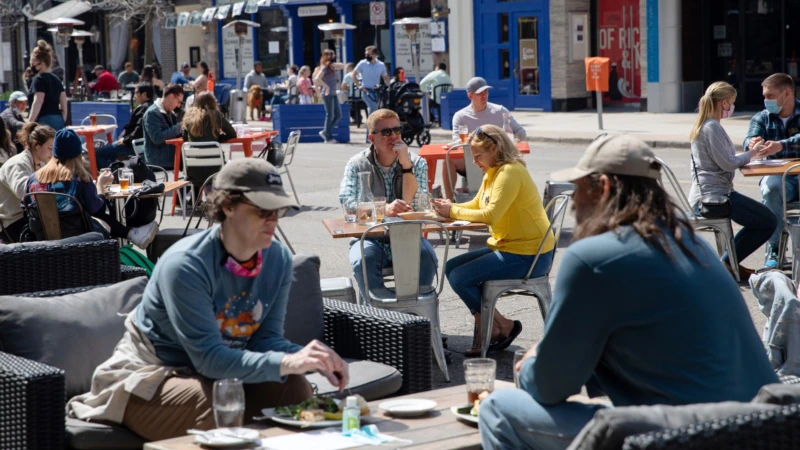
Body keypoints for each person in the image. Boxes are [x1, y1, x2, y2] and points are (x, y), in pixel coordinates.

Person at [478, 135, 780, 450]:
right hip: (761, 428)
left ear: (604, 187)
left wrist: (529, 365)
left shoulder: (593, 257)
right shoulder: (695, 246)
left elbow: (549, 386)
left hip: (684, 436)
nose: (575, 203)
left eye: (579, 189)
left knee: (497, 409)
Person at [67, 158, 349, 441]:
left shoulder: (278, 259)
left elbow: (266, 340)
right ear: (228, 206)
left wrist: (306, 359)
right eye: (263, 209)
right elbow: (210, 360)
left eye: (278, 210)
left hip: (214, 374)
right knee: (221, 401)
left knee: (294, 388)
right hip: (151, 373)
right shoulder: (186, 265)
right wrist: (288, 361)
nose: (272, 219)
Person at [433, 125, 553, 356]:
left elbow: (490, 215)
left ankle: (490, 326)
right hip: (512, 246)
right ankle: (500, 324)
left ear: (495, 148)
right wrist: (449, 208)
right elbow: (477, 205)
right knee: (451, 267)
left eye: (478, 156)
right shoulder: (493, 172)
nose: (475, 162)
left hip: (529, 254)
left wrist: (452, 212)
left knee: (460, 277)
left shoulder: (509, 172)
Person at [339, 108, 436, 299]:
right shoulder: (356, 164)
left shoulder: (417, 163)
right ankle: (378, 315)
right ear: (371, 137)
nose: (393, 136)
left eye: (397, 130)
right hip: (369, 237)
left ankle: (416, 311)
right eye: (386, 132)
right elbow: (347, 205)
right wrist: (383, 210)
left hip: (408, 235)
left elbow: (417, 206)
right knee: (364, 260)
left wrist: (406, 165)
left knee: (428, 258)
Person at [689, 81, 776, 279]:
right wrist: (752, 153)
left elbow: (723, 159)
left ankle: (731, 261)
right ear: (724, 103)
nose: (732, 107)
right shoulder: (711, 127)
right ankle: (727, 262)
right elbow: (728, 163)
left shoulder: (708, 125)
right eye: (732, 103)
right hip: (713, 198)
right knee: (768, 221)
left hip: (715, 194)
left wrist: (747, 154)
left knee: (762, 219)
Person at [24, 129, 158, 246]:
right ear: (78, 154)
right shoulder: (80, 178)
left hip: (42, 242)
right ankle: (131, 234)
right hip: (79, 242)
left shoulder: (33, 179)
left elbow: (25, 209)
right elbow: (97, 209)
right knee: (100, 220)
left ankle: (131, 233)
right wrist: (100, 185)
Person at [743, 73, 800, 268]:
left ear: (786, 93)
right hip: (779, 176)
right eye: (765, 96)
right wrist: (752, 143)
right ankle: (775, 247)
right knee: (771, 189)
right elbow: (748, 140)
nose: (766, 101)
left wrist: (781, 146)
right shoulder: (762, 118)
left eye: (770, 96)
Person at [446, 77, 526, 200]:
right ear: (470, 96)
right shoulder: (460, 116)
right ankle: (449, 201)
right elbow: (458, 141)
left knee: (517, 158)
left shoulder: (499, 111)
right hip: (470, 161)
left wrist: (515, 139)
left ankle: (518, 197)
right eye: (480, 93)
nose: (484, 96)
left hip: (496, 158)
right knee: (447, 160)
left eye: (486, 92)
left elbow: (520, 131)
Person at [0, 123, 54, 242]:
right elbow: (24, 192)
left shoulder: (41, 163)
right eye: (50, 148)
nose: (53, 153)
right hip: (14, 222)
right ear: (36, 145)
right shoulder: (18, 163)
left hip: (31, 217)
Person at [181, 91, 237, 192]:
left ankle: (193, 202)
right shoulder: (216, 115)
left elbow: (184, 139)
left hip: (193, 170)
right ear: (213, 102)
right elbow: (232, 133)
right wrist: (219, 139)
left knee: (199, 167)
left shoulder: (189, 116)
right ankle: (211, 202)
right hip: (215, 170)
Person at [94, 83, 154, 169]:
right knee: (109, 151)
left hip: (133, 146)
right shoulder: (149, 106)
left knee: (99, 153)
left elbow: (139, 129)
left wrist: (126, 140)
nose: (134, 96)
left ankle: (110, 176)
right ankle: (114, 172)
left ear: (144, 94)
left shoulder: (144, 108)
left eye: (136, 93)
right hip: (137, 144)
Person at [27, 40, 67, 131]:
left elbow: (38, 101)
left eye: (33, 64)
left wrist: (30, 122)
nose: (32, 67)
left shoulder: (39, 79)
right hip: (58, 119)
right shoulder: (57, 80)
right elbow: (64, 102)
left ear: (42, 63)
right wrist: (63, 119)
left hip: (44, 120)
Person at [142, 84, 184, 170]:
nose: (179, 105)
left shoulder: (170, 112)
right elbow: (157, 138)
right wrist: (180, 126)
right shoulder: (152, 113)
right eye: (179, 102)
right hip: (160, 164)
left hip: (171, 161)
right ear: (171, 96)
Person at [315, 49, 344, 144]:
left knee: (338, 115)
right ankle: (328, 137)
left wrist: (335, 65)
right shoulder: (325, 67)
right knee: (330, 115)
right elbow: (317, 78)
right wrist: (326, 86)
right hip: (327, 93)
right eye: (331, 55)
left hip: (333, 93)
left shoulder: (332, 67)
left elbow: (343, 65)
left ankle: (325, 132)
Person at [353, 46, 390, 116]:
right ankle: (370, 126)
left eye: (369, 54)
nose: (367, 56)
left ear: (375, 54)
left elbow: (385, 77)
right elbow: (353, 75)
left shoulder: (381, 65)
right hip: (366, 91)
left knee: (375, 109)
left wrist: (388, 86)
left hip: (376, 91)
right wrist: (359, 86)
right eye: (366, 54)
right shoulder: (362, 63)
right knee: (373, 107)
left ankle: (373, 125)